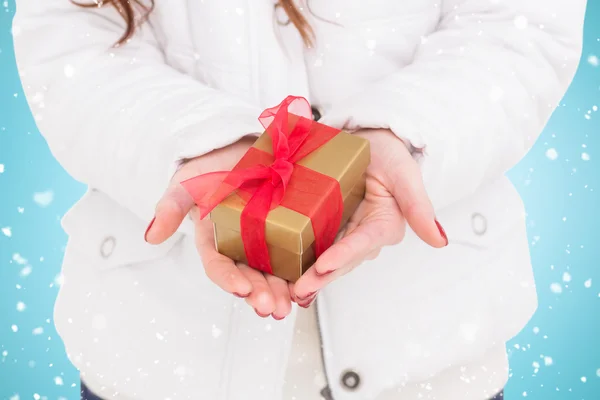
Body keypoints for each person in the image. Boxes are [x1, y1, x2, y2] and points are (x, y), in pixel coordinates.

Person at [13, 0, 585, 399]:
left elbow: (518, 27)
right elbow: (71, 43)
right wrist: (203, 141)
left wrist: (399, 134)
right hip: (158, 356)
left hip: (425, 355)